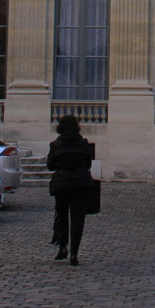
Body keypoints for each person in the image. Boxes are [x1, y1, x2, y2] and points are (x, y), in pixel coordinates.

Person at [47, 114, 96, 266]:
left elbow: (50, 165)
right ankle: (74, 253)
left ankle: (62, 247)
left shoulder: (56, 145)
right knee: (77, 219)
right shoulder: (83, 144)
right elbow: (88, 164)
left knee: (61, 215)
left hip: (62, 184)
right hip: (80, 184)